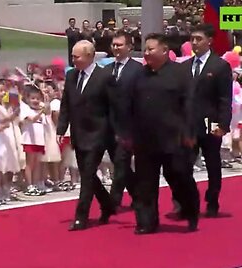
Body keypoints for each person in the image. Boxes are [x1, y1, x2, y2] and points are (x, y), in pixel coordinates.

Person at [129, 33, 199, 234]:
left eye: (151, 49)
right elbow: (129, 105)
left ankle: (190, 211)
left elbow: (189, 106)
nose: (147, 53)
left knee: (179, 177)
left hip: (173, 139)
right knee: (145, 183)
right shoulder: (139, 75)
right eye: (145, 49)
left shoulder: (180, 73)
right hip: (145, 140)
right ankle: (146, 222)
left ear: (164, 50)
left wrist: (188, 132)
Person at [56, 40, 116, 231]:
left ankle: (81, 216)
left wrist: (114, 131)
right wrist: (61, 128)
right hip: (78, 133)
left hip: (98, 134)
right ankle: (107, 203)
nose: (73, 60)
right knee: (87, 174)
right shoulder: (72, 75)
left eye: (77, 56)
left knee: (88, 175)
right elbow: (66, 104)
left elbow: (113, 106)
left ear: (89, 56)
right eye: (72, 56)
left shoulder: (104, 76)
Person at [181, 24, 232, 217]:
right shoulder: (184, 67)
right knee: (183, 165)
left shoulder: (219, 66)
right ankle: (187, 202)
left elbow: (224, 99)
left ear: (209, 41)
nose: (194, 42)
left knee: (212, 163)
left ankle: (212, 200)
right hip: (189, 124)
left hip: (210, 123)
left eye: (198, 39)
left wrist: (223, 125)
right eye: (192, 39)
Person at [103, 31, 142, 207]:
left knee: (120, 164)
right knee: (121, 165)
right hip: (109, 126)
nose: (116, 48)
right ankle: (137, 195)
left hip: (129, 127)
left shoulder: (138, 70)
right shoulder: (106, 70)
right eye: (114, 45)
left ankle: (113, 201)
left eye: (120, 45)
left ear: (129, 47)